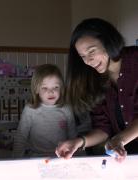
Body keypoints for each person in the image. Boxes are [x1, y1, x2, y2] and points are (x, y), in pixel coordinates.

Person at [55, 18, 138, 163]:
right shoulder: (96, 80)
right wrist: (78, 142)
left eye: (91, 51)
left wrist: (119, 139)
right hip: (128, 156)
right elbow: (103, 128)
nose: (88, 61)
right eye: (83, 57)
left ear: (109, 42)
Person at [13, 64, 77, 158]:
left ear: (61, 88)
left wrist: (78, 157)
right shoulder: (30, 109)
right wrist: (16, 160)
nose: (51, 92)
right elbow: (21, 136)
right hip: (36, 156)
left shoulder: (66, 108)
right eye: (45, 88)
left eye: (55, 87)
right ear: (36, 90)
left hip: (61, 156)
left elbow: (73, 136)